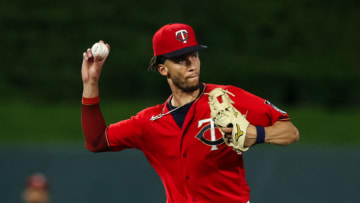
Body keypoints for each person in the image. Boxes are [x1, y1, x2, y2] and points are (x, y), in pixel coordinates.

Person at [81, 23, 299, 203]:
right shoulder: (149, 122)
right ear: (162, 69)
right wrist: (91, 84)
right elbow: (97, 141)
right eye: (180, 59)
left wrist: (258, 134)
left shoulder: (227, 98)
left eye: (194, 55)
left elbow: (290, 131)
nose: (191, 64)